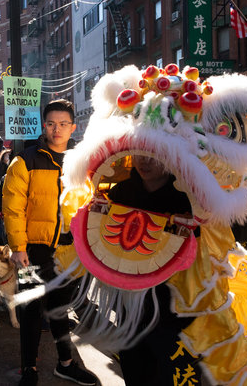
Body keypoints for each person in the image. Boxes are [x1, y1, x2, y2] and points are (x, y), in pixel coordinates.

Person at [3, 99, 97, 386]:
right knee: (31, 309)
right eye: (52, 123)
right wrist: (18, 248)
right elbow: (12, 206)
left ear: (73, 127)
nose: (57, 129)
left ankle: (65, 364)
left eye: (63, 124)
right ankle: (29, 369)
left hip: (69, 250)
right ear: (44, 126)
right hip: (33, 249)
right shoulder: (26, 160)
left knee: (60, 309)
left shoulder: (84, 163)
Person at [107, 155, 200, 384]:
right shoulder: (120, 192)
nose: (144, 162)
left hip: (175, 304)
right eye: (140, 154)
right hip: (130, 304)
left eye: (154, 156)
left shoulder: (189, 197)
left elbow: (207, 250)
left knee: (171, 373)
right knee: (135, 370)